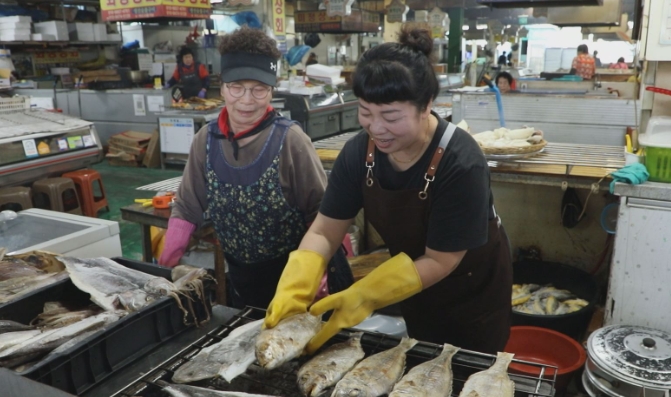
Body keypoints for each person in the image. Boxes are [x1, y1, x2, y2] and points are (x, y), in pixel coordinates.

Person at [265, 26, 512, 355]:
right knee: (419, 362)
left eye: (391, 117)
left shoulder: (461, 163)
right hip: (408, 284)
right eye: (365, 112)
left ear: (426, 107)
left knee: (469, 374)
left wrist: (366, 294)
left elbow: (441, 260)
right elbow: (325, 230)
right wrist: (297, 284)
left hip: (471, 294)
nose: (376, 128)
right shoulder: (358, 153)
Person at [158, 26, 352, 309]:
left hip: (301, 283)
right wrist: (165, 267)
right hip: (242, 281)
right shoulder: (206, 141)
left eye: (259, 89)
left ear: (272, 90)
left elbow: (323, 213)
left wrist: (322, 270)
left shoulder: (290, 141)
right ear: (222, 87)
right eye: (237, 87)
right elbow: (188, 207)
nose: (247, 100)